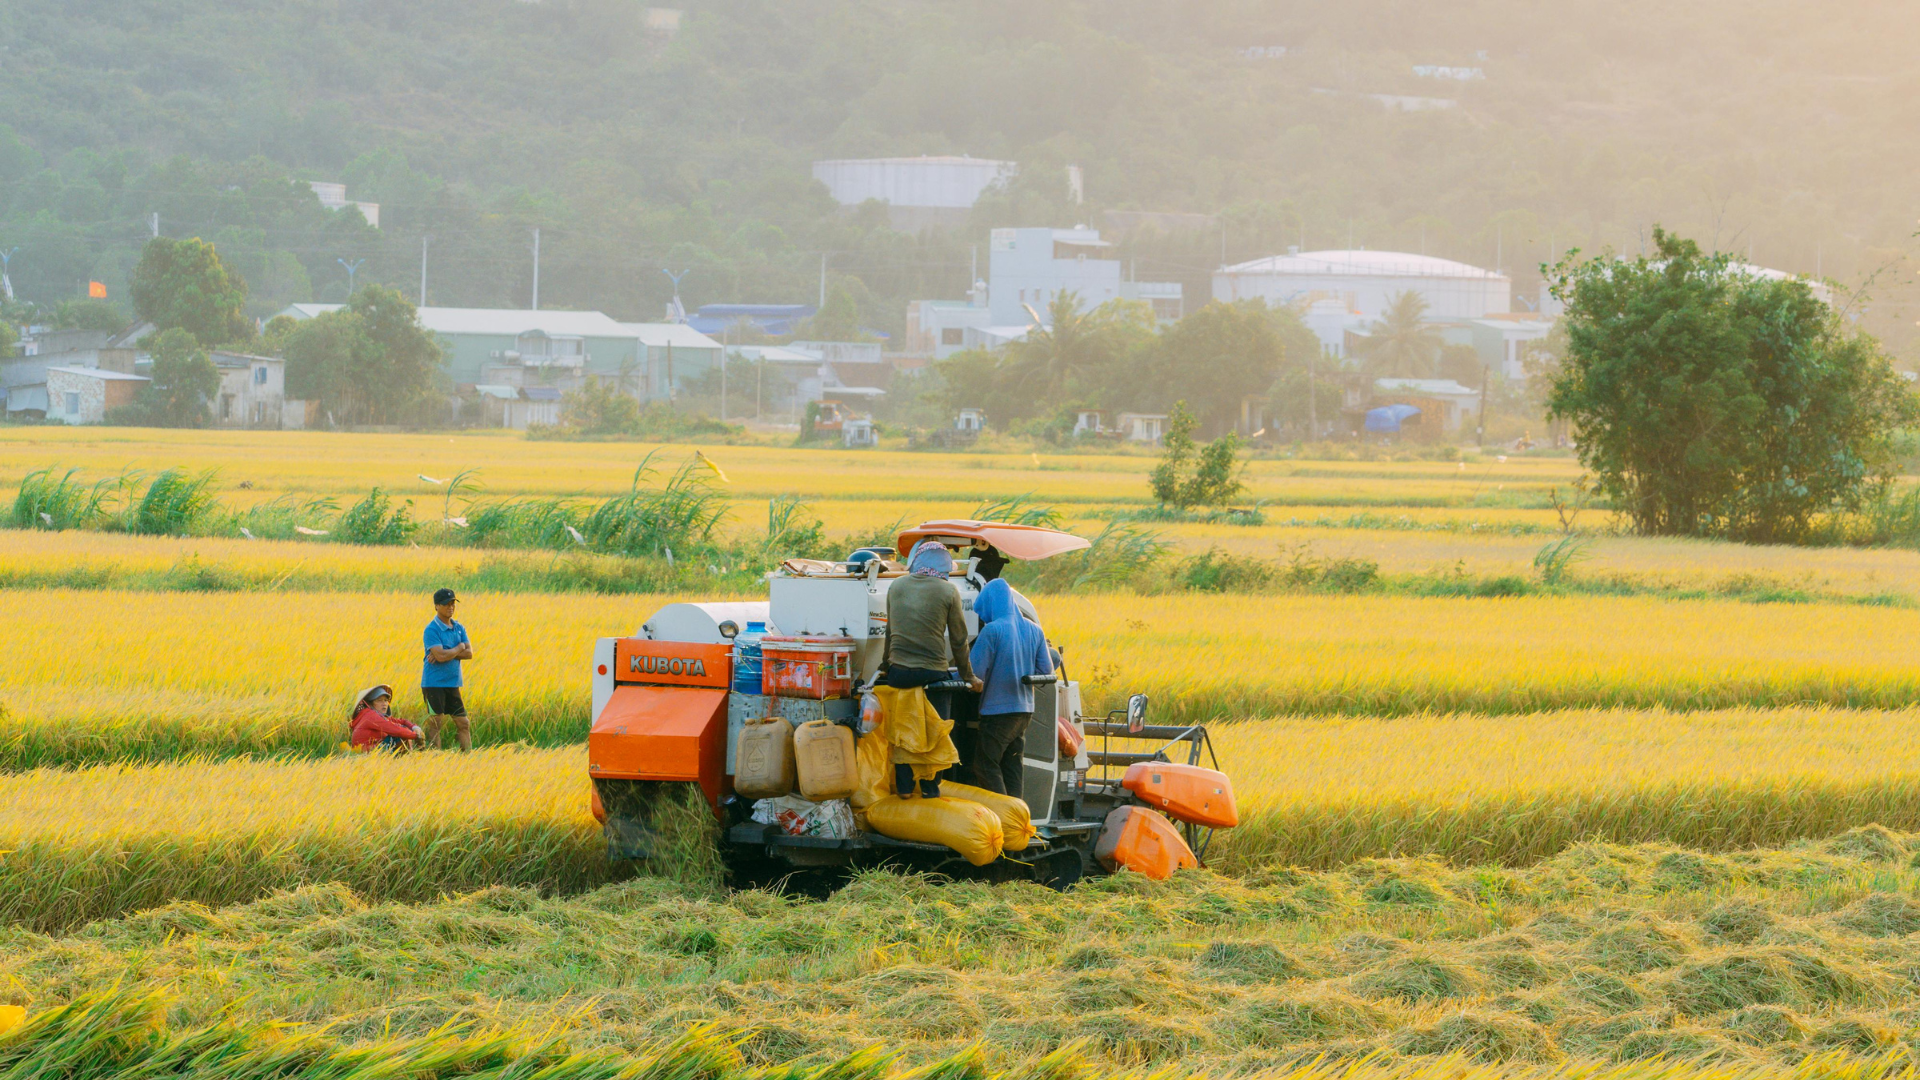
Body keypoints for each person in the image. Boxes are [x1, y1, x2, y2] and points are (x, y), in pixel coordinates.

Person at [881, 540, 982, 796]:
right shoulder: (948, 590)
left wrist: (885, 666)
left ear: (917, 561)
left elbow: (889, 632)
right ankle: (930, 788)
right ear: (944, 565)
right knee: (936, 729)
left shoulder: (896, 586)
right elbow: (959, 640)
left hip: (899, 674)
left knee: (904, 729)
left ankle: (904, 788)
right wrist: (969, 676)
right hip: (933, 673)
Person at [966, 578, 1054, 796]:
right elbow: (1046, 670)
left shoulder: (992, 630)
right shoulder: (1034, 629)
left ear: (991, 604)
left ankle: (1003, 813)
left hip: (998, 712)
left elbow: (974, 673)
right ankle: (1017, 814)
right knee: (1012, 767)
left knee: (984, 766)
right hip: (1024, 710)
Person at [421, 587, 474, 751]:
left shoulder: (459, 627)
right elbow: (441, 656)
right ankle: (434, 757)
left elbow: (469, 654)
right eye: (446, 604)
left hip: (452, 683)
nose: (450, 607)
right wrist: (459, 647)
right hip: (433, 684)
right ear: (436, 606)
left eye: (452, 603)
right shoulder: (431, 629)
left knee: (463, 722)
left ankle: (468, 756)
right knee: (436, 722)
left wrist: (447, 652)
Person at [349, 684, 423, 752]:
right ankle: (409, 756)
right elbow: (395, 730)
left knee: (403, 730)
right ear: (370, 704)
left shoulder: (377, 715)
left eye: (385, 700)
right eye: (379, 700)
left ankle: (408, 755)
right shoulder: (370, 716)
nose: (384, 704)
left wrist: (414, 727)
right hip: (367, 751)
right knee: (400, 734)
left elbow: (403, 721)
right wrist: (416, 736)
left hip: (373, 748)